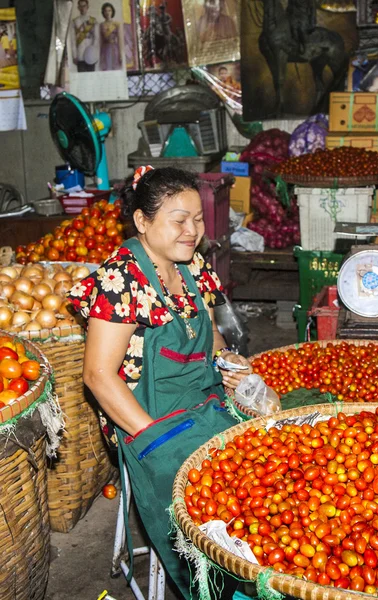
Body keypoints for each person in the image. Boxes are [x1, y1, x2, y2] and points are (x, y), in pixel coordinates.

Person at [68, 166, 251, 599]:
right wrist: (154, 439)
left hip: (202, 402)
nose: (193, 231)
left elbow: (209, 334)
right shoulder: (121, 279)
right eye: (179, 220)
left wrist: (230, 364)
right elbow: (96, 375)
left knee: (265, 460)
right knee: (208, 506)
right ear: (143, 222)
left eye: (199, 219)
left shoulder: (192, 266)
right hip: (146, 419)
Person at [71, 0, 99, 72]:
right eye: (80, 6)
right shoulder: (75, 21)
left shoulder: (93, 21)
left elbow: (96, 38)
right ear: (78, 8)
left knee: (91, 78)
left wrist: (94, 52)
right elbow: (73, 40)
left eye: (84, 6)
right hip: (80, 53)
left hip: (91, 53)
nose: (82, 8)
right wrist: (74, 55)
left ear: (87, 7)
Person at [99, 2, 123, 71]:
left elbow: (120, 39)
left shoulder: (116, 24)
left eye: (109, 10)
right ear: (103, 12)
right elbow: (100, 40)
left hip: (114, 48)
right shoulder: (101, 25)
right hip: (105, 49)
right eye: (105, 11)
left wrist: (120, 54)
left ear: (112, 12)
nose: (107, 13)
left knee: (115, 68)